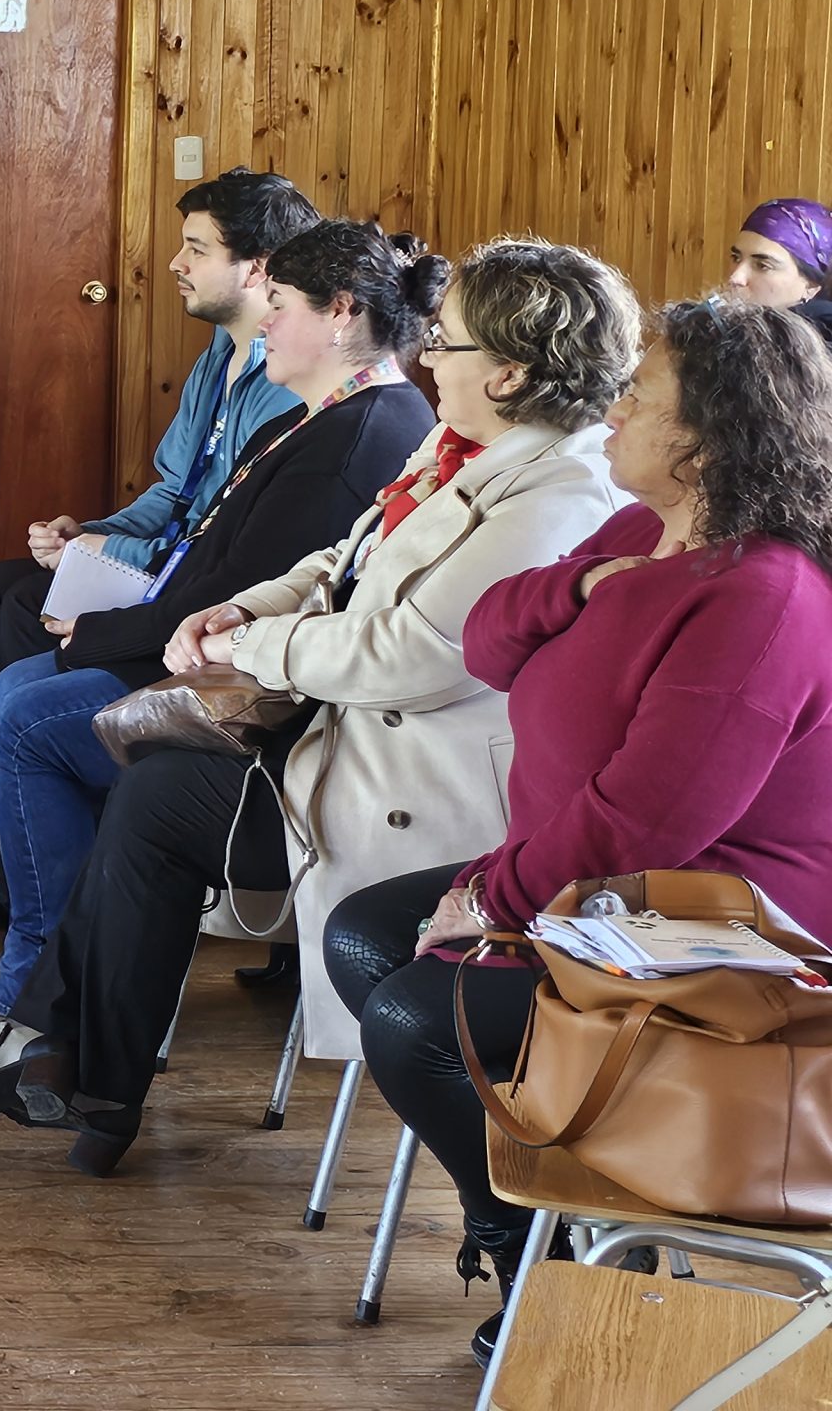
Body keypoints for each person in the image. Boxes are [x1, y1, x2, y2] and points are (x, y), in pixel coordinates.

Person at [325, 296, 832, 1365]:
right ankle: (546, 1238)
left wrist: (493, 896)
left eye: (639, 396)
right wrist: (588, 582)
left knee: (420, 1016)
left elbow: (653, 819)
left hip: (719, 933)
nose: (612, 413)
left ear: (702, 439)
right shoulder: (642, 532)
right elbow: (488, 634)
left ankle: (555, 1266)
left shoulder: (765, 592)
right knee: (363, 934)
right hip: (596, 894)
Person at [0, 220, 443, 1056]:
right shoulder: (326, 415)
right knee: (23, 686)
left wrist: (97, 635)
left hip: (270, 712)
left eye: (280, 303)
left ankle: (34, 984)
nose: (263, 319)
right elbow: (218, 566)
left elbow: (246, 595)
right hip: (225, 662)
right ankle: (49, 963)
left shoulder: (364, 430)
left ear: (340, 313)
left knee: (30, 716)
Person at [0, 168, 318, 925]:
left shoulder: (289, 376)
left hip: (204, 592)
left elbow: (228, 535)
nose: (175, 264)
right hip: (174, 559)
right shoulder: (222, 350)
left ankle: (47, 863)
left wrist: (124, 560)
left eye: (195, 248)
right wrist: (97, 534)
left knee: (26, 613)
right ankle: (10, 837)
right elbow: (176, 490)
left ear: (257, 268)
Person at [721, 197, 832, 344]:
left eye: (763, 266)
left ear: (812, 285)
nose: (735, 277)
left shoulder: (809, 359)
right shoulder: (732, 337)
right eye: (736, 258)